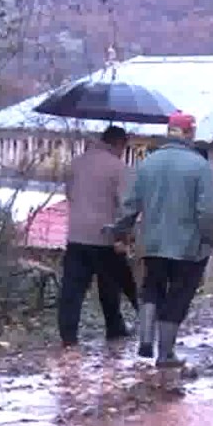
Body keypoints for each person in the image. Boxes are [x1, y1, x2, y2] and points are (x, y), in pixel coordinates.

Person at [105, 111, 213, 368]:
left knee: (152, 287)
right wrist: (209, 239)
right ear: (190, 133)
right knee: (178, 295)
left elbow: (131, 205)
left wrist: (118, 228)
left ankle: (146, 338)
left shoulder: (148, 163)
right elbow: (208, 211)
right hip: (187, 247)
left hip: (153, 242)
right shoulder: (199, 166)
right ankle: (165, 353)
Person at [56, 126, 136, 347]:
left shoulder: (77, 163)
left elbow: (70, 194)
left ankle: (68, 334)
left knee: (72, 287)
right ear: (119, 144)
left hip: (76, 234)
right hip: (105, 235)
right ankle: (115, 326)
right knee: (110, 283)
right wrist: (124, 236)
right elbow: (127, 206)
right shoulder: (120, 168)